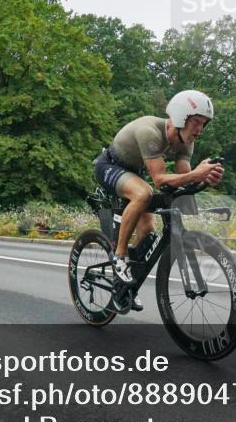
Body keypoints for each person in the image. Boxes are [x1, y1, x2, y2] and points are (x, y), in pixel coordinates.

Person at [93, 90, 224, 310]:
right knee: (143, 194)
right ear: (181, 117)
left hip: (135, 173)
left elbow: (184, 180)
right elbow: (159, 179)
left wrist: (206, 179)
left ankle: (125, 287)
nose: (200, 130)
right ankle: (119, 257)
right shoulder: (150, 132)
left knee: (148, 233)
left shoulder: (186, 142)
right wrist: (196, 174)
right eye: (196, 122)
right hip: (109, 165)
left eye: (204, 124)